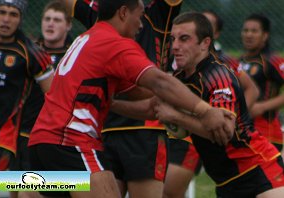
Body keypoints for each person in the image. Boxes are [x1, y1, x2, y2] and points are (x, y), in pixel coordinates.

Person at [28, 1, 234, 198]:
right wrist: (205, 110)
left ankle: (4, 181)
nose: (141, 23)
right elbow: (159, 82)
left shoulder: (88, 37)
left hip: (44, 143)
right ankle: (1, 181)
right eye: (139, 15)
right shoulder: (115, 43)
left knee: (13, 184)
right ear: (124, 13)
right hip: (71, 142)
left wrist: (171, 104)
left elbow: (137, 93)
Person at [61, 0, 186, 197]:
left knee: (27, 184)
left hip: (143, 131)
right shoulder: (103, 16)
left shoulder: (157, 13)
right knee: (27, 184)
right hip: (102, 131)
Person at [155, 11, 284, 198]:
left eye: (184, 39)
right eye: (173, 39)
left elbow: (226, 130)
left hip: (257, 166)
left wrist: (177, 117)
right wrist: (112, 103)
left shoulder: (220, 71)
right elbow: (153, 107)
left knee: (171, 191)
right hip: (226, 179)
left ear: (208, 40)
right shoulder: (179, 78)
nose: (175, 46)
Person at [0, 0, 54, 197]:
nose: (6, 19)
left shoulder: (31, 53)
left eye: (13, 14)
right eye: (2, 12)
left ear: (21, 19)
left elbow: (55, 95)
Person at [9, 1, 72, 198]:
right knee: (17, 189)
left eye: (57, 20)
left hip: (59, 138)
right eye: (47, 19)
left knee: (35, 191)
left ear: (68, 25)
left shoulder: (73, 54)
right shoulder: (29, 53)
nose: (50, 24)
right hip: (24, 133)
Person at [239, 13, 284, 152]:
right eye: (246, 30)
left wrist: (263, 106)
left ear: (265, 35)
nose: (249, 35)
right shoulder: (239, 61)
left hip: (267, 133)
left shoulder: (272, 61)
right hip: (242, 131)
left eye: (254, 31)